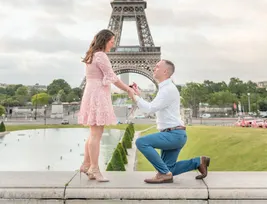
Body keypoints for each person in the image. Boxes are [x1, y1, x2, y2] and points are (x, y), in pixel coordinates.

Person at [131, 59, 210, 184]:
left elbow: (150, 109)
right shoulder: (166, 88)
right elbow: (153, 105)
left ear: (165, 71)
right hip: (176, 134)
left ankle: (163, 174)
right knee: (169, 168)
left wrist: (134, 97)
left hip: (172, 135)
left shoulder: (167, 90)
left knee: (141, 142)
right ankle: (198, 162)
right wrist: (138, 96)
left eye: (157, 67)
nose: (154, 68)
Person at [78, 29, 134, 182]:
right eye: (112, 41)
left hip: (91, 93)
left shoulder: (92, 55)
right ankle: (95, 169)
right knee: (97, 134)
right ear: (105, 40)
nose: (113, 44)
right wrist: (128, 89)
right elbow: (112, 77)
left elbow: (103, 78)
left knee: (92, 133)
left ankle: (86, 164)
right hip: (98, 95)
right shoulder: (101, 55)